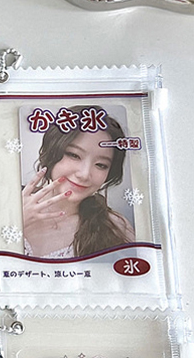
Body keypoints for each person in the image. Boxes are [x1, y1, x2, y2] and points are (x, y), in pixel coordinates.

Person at [22, 106, 136, 259]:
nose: (84, 174)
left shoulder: (115, 227)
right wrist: (16, 222)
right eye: (74, 155)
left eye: (101, 165)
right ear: (52, 151)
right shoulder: (7, 201)